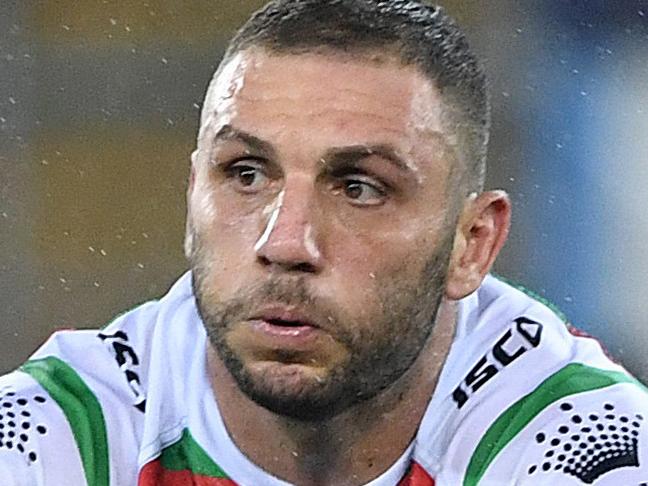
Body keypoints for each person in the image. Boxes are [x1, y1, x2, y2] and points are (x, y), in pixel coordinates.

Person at [1, 1, 646, 484]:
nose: (285, 242)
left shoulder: (585, 447)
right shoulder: (49, 441)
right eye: (246, 175)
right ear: (192, 195)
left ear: (470, 245)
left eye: (360, 187)